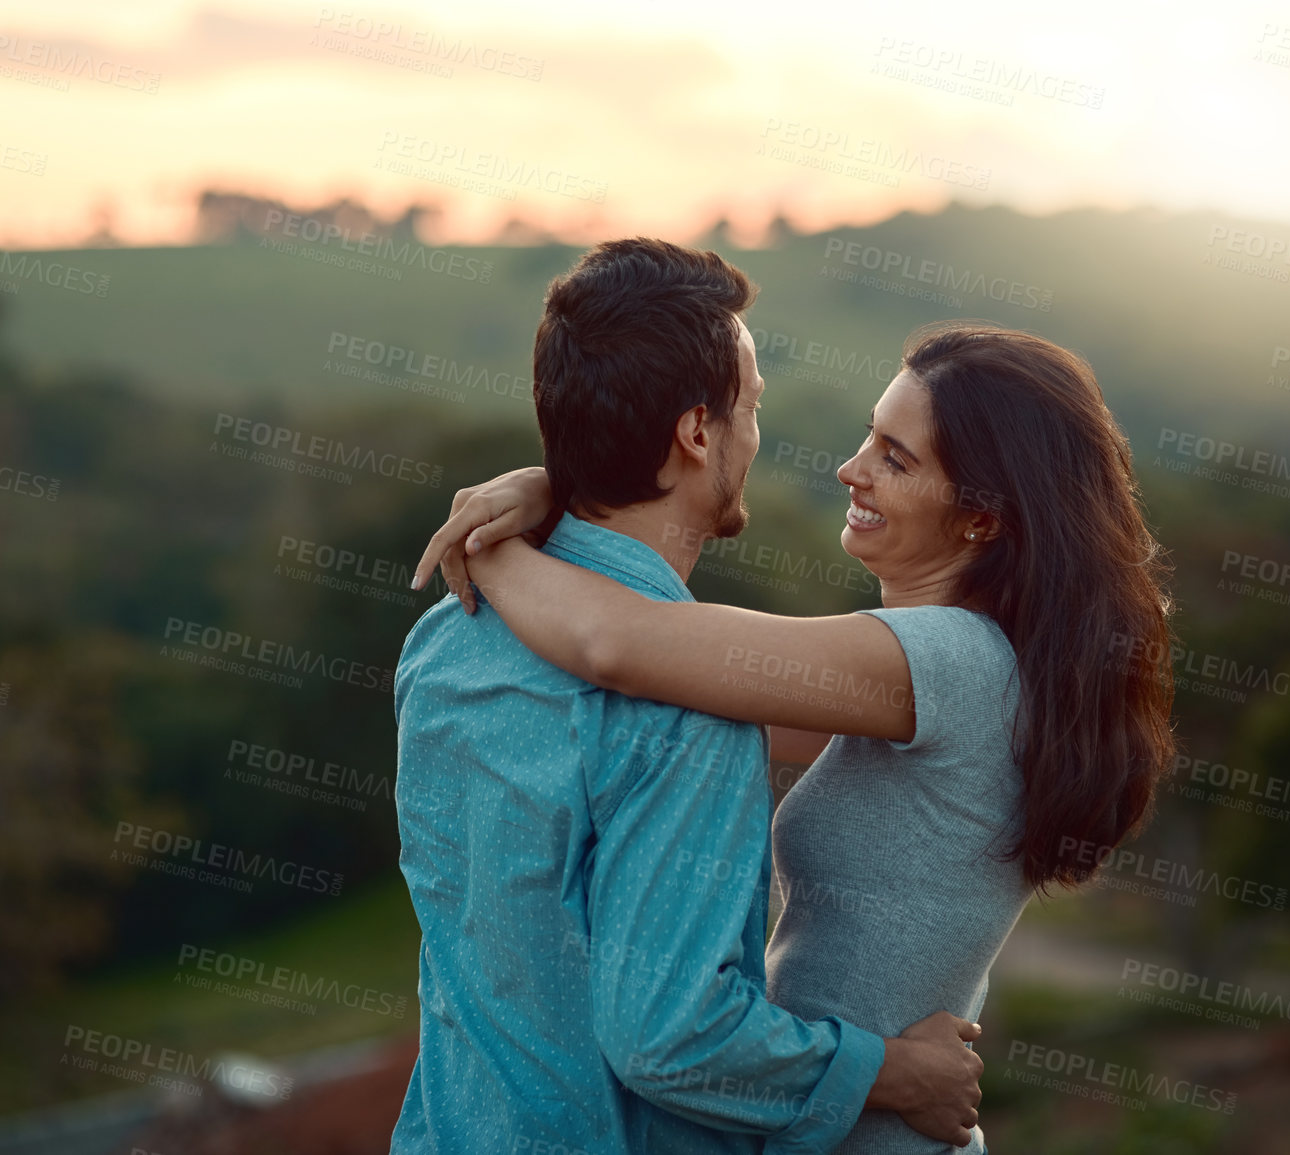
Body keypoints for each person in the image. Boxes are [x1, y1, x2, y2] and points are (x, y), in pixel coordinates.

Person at [415, 318, 1179, 1153]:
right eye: (868, 437)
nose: (851, 468)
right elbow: (682, 691)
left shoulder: (949, 661)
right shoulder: (943, 675)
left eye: (896, 457)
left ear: (982, 517)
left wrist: (491, 547)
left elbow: (621, 646)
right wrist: (551, 493)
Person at [390, 237, 985, 1155]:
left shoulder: (443, 640)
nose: (761, 437)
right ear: (698, 431)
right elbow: (670, 1037)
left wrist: (544, 498)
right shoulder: (686, 707)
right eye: (749, 409)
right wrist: (888, 1072)